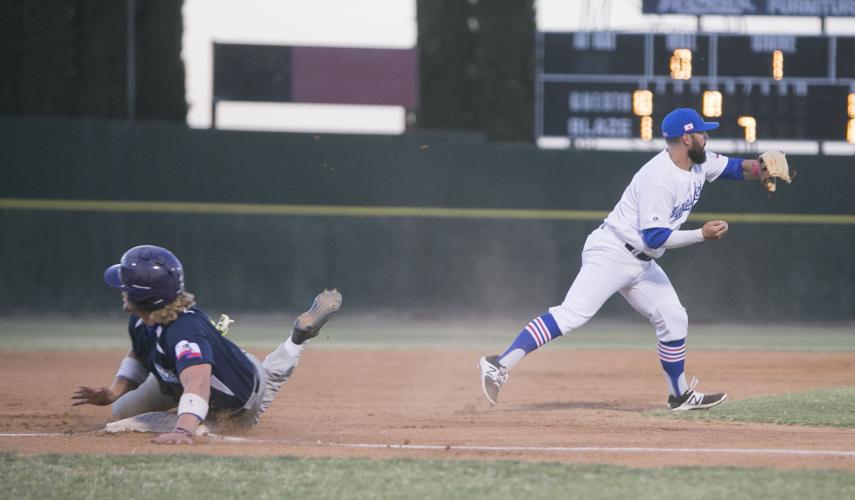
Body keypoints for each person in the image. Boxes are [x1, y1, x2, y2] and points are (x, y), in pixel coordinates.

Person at [479, 108, 776, 411]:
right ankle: (498, 364)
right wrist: (701, 234)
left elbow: (739, 168)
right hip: (613, 251)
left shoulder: (701, 162)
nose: (707, 136)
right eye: (702, 132)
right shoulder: (659, 179)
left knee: (674, 318)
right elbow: (655, 238)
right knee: (572, 314)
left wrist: (764, 169)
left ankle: (680, 396)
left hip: (641, 262)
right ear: (687, 138)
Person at [72, 244, 342, 444]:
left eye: (126, 286)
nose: (122, 290)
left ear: (142, 298)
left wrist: (183, 430)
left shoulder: (182, 331)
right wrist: (113, 392)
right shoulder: (143, 321)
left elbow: (198, 384)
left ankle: (296, 340)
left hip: (235, 395)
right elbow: (140, 355)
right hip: (181, 372)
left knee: (232, 416)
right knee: (119, 410)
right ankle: (293, 340)